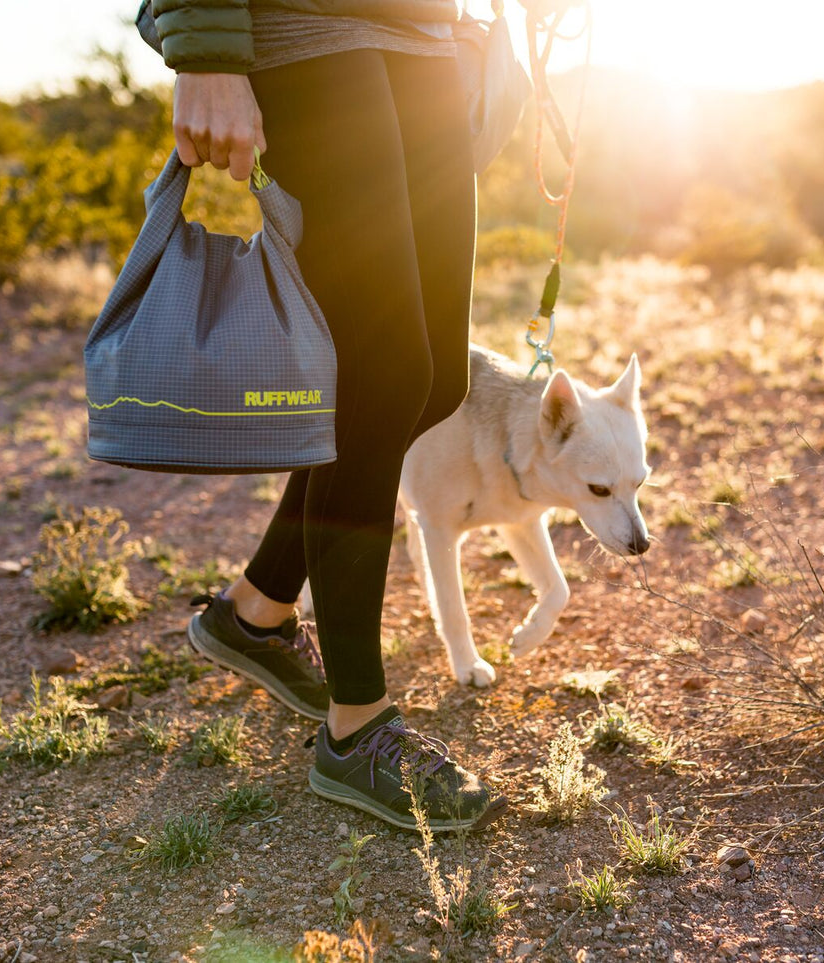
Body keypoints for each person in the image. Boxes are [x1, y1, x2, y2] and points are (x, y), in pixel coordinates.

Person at [154, 0, 504, 832]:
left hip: (427, 32)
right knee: (384, 372)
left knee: (434, 381)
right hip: (305, 27)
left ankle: (256, 611)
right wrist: (204, 51)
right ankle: (355, 725)